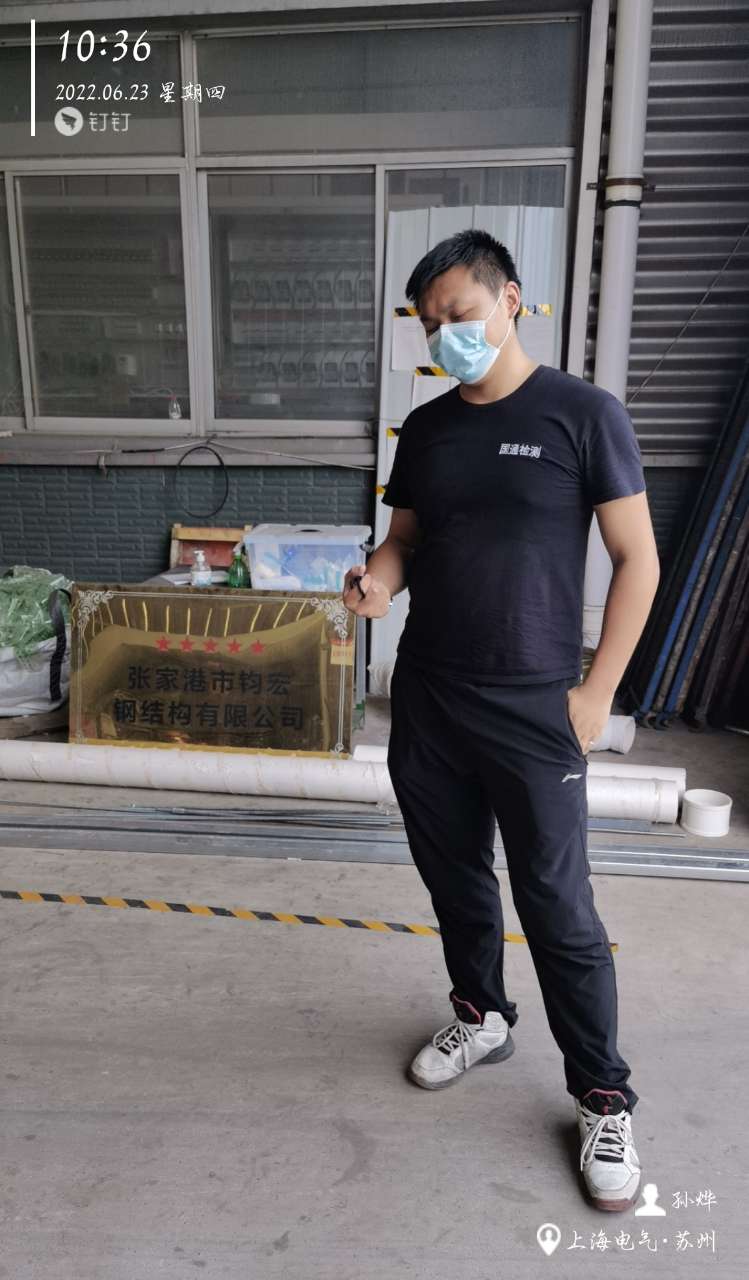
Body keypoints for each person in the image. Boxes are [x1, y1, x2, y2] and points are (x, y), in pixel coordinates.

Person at [342, 228, 660, 1213]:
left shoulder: (582, 414)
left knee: (556, 904)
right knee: (454, 879)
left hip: (533, 704)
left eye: (462, 314)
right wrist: (377, 581)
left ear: (510, 299)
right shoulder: (428, 428)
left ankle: (600, 1093)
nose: (448, 335)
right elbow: (404, 537)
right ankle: (480, 1014)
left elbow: (637, 560)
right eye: (431, 323)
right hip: (429, 696)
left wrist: (595, 692)